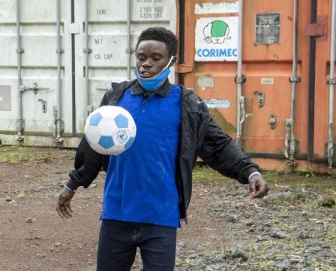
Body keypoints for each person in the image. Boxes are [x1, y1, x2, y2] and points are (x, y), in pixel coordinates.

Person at [55, 27, 269, 271]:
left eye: (155, 58)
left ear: (171, 61)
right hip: (117, 212)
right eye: (141, 57)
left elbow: (219, 145)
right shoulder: (116, 97)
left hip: (161, 216)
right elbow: (92, 148)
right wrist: (72, 184)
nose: (146, 64)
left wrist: (250, 172)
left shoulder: (188, 104)